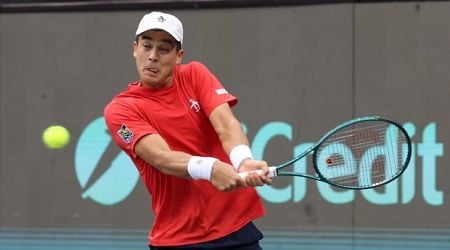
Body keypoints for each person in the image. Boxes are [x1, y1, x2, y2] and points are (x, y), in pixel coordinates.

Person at [104, 11, 272, 249]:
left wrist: (243, 160)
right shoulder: (120, 110)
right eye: (146, 46)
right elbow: (161, 158)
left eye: (163, 49)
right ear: (135, 48)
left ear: (178, 56)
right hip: (178, 239)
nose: (152, 56)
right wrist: (211, 168)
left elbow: (225, 124)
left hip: (235, 229)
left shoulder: (195, 74)